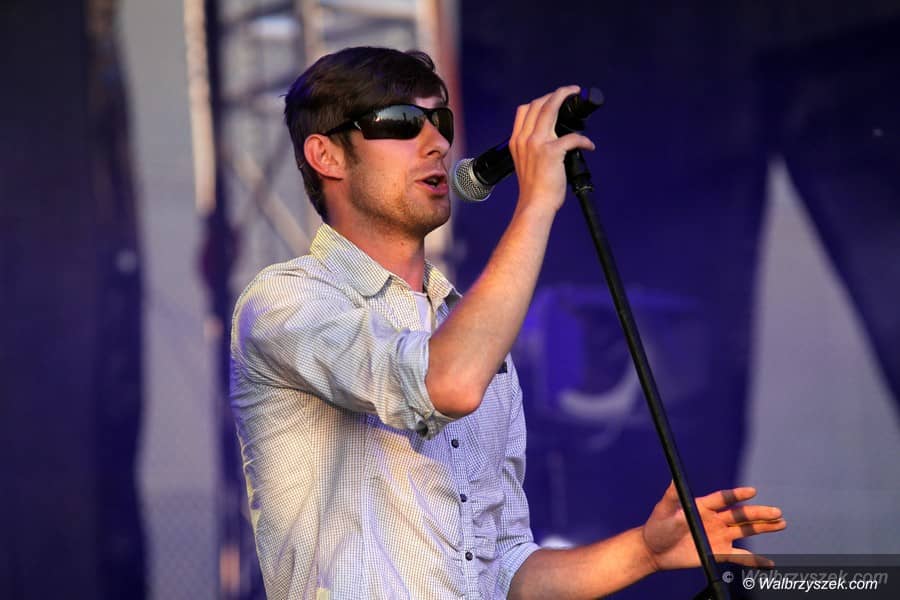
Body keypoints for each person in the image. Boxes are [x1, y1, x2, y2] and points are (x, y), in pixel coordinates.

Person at [230, 46, 786, 600]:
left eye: (441, 122)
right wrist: (536, 204)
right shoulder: (285, 302)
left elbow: (504, 568)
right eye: (401, 122)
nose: (437, 143)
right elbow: (445, 384)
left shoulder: (473, 333)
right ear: (326, 155)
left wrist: (644, 552)